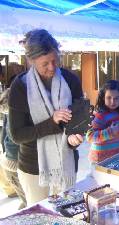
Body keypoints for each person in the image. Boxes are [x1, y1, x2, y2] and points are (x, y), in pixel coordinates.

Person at [8, 29, 84, 205]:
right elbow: (17, 135)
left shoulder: (70, 80)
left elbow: (78, 123)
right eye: (45, 64)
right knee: (39, 217)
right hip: (33, 166)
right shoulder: (20, 86)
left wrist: (76, 138)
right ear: (31, 61)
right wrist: (52, 122)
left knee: (66, 213)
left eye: (55, 60)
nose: (52, 67)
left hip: (66, 161)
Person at [0, 76, 27, 209]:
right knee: (27, 199)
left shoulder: (12, 113)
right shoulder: (14, 113)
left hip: (14, 162)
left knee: (26, 199)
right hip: (14, 162)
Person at [86, 80, 119, 163]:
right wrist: (111, 131)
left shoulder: (116, 114)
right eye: (109, 98)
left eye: (116, 98)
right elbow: (90, 136)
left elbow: (115, 134)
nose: (112, 102)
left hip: (115, 159)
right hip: (100, 161)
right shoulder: (100, 116)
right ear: (103, 97)